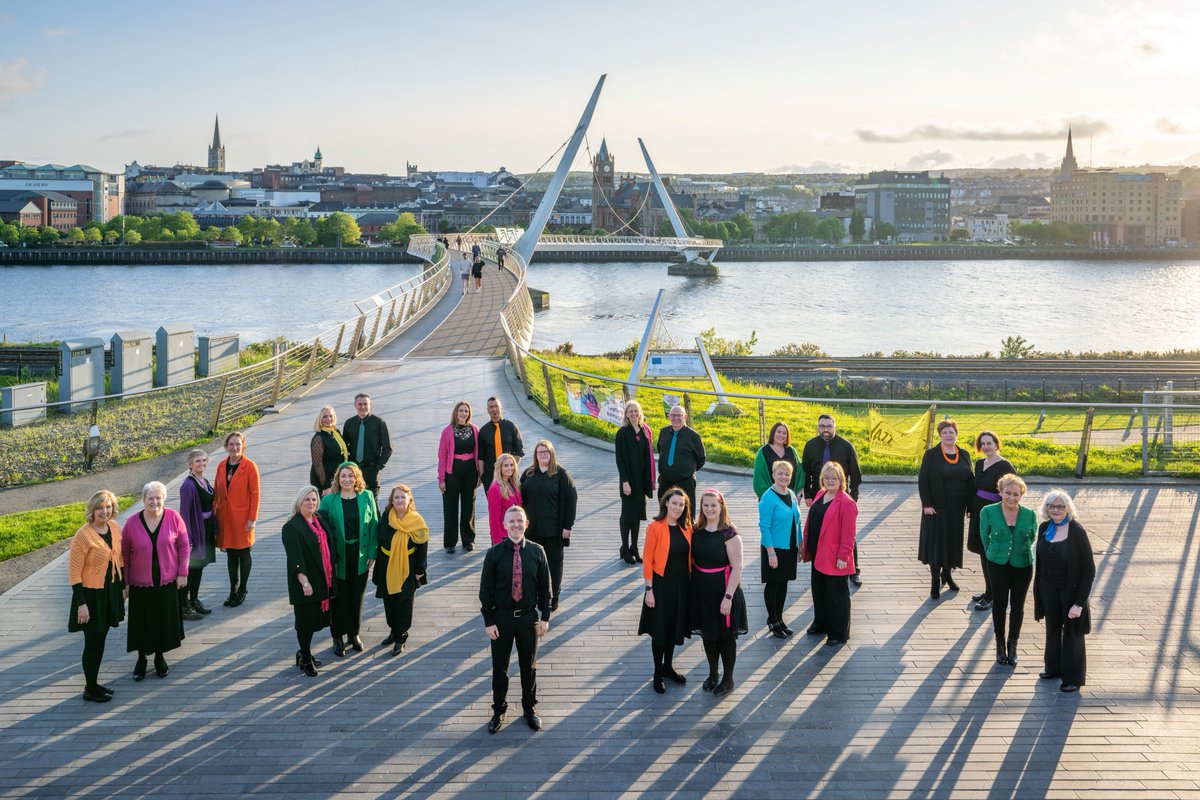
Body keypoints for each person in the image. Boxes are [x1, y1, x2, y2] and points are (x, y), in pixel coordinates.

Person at [480, 506, 552, 734]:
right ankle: (499, 710)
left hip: (528, 618)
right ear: (504, 524)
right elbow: (485, 591)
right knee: (499, 668)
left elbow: (545, 588)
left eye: (519, 521)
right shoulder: (494, 554)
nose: (515, 525)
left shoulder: (537, 552)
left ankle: (529, 709)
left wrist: (545, 617)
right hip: (501, 620)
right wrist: (488, 621)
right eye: (511, 521)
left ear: (526, 523)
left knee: (528, 667)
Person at [123, 481, 189, 682]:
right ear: (143, 500)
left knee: (162, 621)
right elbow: (124, 555)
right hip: (140, 583)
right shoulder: (132, 523)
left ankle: (160, 657)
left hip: (167, 581)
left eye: (158, 497)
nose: (154, 502)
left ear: (164, 499)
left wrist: (182, 573)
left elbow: (184, 547)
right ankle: (141, 658)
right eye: (150, 498)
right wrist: (125, 583)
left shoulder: (173, 517)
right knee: (142, 622)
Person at [1033, 489, 1095, 693]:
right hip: (1048, 589)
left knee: (1072, 632)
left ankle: (1073, 677)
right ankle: (1053, 667)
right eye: (1051, 506)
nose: (1056, 510)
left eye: (1060, 506)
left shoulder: (1077, 531)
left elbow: (1088, 571)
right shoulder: (1044, 528)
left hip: (1071, 591)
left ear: (1068, 509)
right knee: (1052, 628)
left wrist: (1079, 603)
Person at [68, 490, 125, 703]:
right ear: (92, 510)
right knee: (92, 642)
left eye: (108, 507)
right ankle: (90, 689)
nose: (104, 511)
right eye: (100, 507)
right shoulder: (83, 535)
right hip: (90, 596)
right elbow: (74, 572)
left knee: (100, 640)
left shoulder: (115, 528)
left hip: (109, 592)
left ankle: (93, 683)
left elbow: (119, 560)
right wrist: (81, 605)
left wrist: (123, 587)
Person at [690, 489, 747, 697]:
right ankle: (713, 673)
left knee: (725, 638)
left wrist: (728, 597)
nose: (709, 509)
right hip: (702, 591)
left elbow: (737, 567)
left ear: (721, 506)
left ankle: (728, 678)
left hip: (724, 591)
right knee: (708, 636)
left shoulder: (730, 533)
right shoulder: (697, 530)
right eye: (705, 505)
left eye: (713, 505)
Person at [319, 462, 379, 658]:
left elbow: (374, 525)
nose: (347, 480)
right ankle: (337, 636)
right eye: (343, 476)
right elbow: (322, 529)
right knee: (339, 597)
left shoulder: (367, 496)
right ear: (337, 478)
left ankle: (354, 634)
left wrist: (372, 551)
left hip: (360, 553)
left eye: (350, 476)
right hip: (338, 555)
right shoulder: (329, 500)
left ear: (357, 478)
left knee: (357, 595)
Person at [978, 474, 1037, 666]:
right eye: (1008, 493)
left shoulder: (1030, 514)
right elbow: (984, 537)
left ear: (1022, 495)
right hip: (997, 564)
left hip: (1023, 565)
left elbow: (1033, 536)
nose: (1012, 498)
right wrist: (994, 554)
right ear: (1001, 492)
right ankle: (1000, 644)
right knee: (1000, 604)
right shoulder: (988, 511)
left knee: (1018, 606)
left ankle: (1013, 645)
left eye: (1017, 494)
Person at [640, 488, 693, 694]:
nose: (678, 507)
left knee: (673, 628)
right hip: (660, 586)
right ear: (666, 504)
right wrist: (648, 589)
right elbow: (648, 560)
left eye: (681, 504)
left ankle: (668, 666)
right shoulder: (655, 527)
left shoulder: (687, 527)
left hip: (681, 587)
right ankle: (657, 673)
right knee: (660, 632)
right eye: (674, 503)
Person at [281, 486, 338, 677]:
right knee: (305, 623)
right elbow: (295, 559)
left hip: (324, 579)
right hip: (306, 583)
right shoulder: (292, 526)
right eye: (307, 500)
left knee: (315, 621)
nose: (311, 503)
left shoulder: (320, 519)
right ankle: (305, 657)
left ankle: (303, 652)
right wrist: (305, 582)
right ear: (299, 502)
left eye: (314, 499)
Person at [801, 414, 864, 586]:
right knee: (821, 532)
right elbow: (805, 472)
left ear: (834, 426)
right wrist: (807, 494)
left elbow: (857, 476)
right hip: (818, 496)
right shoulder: (810, 445)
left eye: (829, 426)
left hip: (840, 497)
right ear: (817, 427)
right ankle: (820, 565)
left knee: (846, 533)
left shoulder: (846, 446)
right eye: (822, 426)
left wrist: (853, 497)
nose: (826, 429)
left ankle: (854, 570)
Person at [802, 462, 857, 646]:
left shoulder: (847, 503)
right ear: (822, 479)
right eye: (827, 478)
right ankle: (821, 624)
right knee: (819, 591)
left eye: (834, 478)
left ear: (841, 479)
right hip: (818, 553)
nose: (830, 481)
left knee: (836, 595)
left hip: (835, 556)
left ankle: (838, 633)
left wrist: (844, 557)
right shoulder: (820, 494)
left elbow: (849, 534)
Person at [918, 419, 973, 600]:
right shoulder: (931, 454)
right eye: (945, 433)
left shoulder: (964, 454)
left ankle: (947, 574)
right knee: (937, 544)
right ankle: (935, 580)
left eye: (952, 432)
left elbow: (970, 480)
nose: (949, 435)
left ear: (957, 434)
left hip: (957, 509)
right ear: (940, 435)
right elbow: (923, 480)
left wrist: (970, 506)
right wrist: (926, 504)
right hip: (936, 508)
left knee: (952, 543)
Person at [520, 440, 577, 611]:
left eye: (546, 452)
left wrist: (568, 526)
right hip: (532, 531)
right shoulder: (529, 473)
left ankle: (554, 595)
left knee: (554, 563)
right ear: (535, 455)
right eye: (539, 452)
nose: (543, 455)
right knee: (532, 564)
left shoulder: (561, 474)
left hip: (553, 530)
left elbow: (571, 499)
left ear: (551, 454)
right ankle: (537, 594)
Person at [374, 483, 429, 656]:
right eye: (396, 497)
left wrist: (420, 569)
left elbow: (422, 546)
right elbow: (379, 537)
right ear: (391, 500)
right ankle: (393, 630)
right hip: (386, 564)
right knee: (389, 600)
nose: (399, 500)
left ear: (409, 499)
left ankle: (401, 637)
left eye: (402, 497)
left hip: (408, 565)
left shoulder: (416, 521)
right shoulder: (386, 516)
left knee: (404, 603)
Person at [967, 431, 1016, 611]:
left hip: (996, 513)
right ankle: (989, 590)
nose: (986, 447)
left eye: (989, 443)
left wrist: (1007, 513)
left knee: (992, 553)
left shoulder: (1004, 465)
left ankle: (992, 595)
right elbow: (975, 487)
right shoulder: (979, 463)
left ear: (996, 444)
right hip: (979, 511)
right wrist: (970, 508)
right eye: (983, 443)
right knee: (982, 551)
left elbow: (1014, 490)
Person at [215, 431, 259, 608]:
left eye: (238, 445)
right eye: (231, 444)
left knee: (243, 552)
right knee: (231, 554)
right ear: (226, 446)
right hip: (225, 517)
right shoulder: (221, 465)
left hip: (242, 517)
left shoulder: (249, 466)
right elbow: (217, 491)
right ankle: (232, 590)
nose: (234, 448)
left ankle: (242, 589)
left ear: (243, 446)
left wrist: (252, 518)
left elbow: (255, 494)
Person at [758, 460, 802, 639]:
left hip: (790, 546)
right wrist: (771, 552)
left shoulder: (791, 494)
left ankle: (780, 619)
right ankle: (772, 619)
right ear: (774, 474)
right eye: (780, 473)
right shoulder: (767, 498)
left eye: (787, 474)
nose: (784, 477)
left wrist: (800, 545)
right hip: (774, 548)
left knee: (783, 583)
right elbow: (764, 527)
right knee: (773, 583)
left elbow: (797, 522)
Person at [615, 400, 656, 565]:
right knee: (627, 516)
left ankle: (634, 548)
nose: (633, 414)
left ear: (640, 413)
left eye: (636, 411)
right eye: (630, 411)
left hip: (641, 480)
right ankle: (624, 548)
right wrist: (625, 481)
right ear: (626, 414)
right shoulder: (622, 433)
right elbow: (620, 460)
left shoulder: (645, 430)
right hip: (628, 480)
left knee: (638, 515)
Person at [178, 449, 216, 620]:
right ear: (190, 464)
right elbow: (184, 514)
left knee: (199, 567)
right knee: (190, 569)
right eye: (198, 461)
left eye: (203, 461)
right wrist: (187, 538)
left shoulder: (204, 481)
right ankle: (183, 605)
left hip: (206, 529)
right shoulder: (188, 485)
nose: (201, 464)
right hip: (195, 531)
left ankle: (194, 599)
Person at [438, 400, 480, 553]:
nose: (464, 413)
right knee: (450, 507)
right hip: (452, 472)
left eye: (466, 411)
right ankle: (450, 542)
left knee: (469, 506)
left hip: (470, 471)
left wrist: (479, 474)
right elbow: (442, 457)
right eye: (461, 410)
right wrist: (441, 479)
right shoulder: (447, 431)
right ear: (456, 413)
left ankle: (468, 540)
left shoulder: (474, 429)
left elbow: (478, 453)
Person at [342, 392, 392, 497]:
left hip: (371, 469)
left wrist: (378, 466)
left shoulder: (379, 423)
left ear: (370, 405)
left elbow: (388, 448)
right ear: (355, 405)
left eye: (365, 404)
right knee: (354, 498)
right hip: (353, 469)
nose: (363, 407)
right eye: (360, 404)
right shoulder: (349, 423)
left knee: (372, 500)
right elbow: (344, 446)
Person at [657, 405, 705, 512]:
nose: (676, 418)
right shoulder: (663, 432)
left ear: (685, 416)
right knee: (664, 512)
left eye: (679, 415)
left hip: (685, 483)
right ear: (669, 416)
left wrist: (687, 470)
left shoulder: (693, 436)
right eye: (673, 415)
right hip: (665, 482)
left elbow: (701, 458)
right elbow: (660, 450)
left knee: (686, 513)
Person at [477, 396, 525, 491]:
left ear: (501, 408)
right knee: (493, 505)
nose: (494, 409)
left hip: (510, 477)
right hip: (490, 478)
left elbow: (519, 452)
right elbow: (480, 457)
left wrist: (509, 468)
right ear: (487, 410)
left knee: (512, 504)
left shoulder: (511, 427)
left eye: (496, 406)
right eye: (491, 407)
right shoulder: (483, 431)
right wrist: (483, 477)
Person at [753, 421, 802, 499]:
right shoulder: (763, 452)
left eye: (784, 433)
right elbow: (759, 478)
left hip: (790, 497)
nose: (781, 435)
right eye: (778, 432)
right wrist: (768, 497)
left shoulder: (791, 451)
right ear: (773, 433)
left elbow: (800, 471)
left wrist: (799, 492)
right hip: (771, 499)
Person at [309, 406, 348, 495]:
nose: (328, 419)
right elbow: (318, 465)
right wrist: (325, 487)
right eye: (325, 416)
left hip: (335, 477)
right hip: (323, 480)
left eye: (330, 416)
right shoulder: (318, 438)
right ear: (320, 419)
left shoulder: (335, 432)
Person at [487, 453, 523, 546]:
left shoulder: (512, 483)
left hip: (514, 535)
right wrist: (497, 543)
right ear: (500, 467)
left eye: (511, 465)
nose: (509, 468)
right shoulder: (495, 488)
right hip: (503, 537)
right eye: (506, 465)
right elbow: (493, 519)